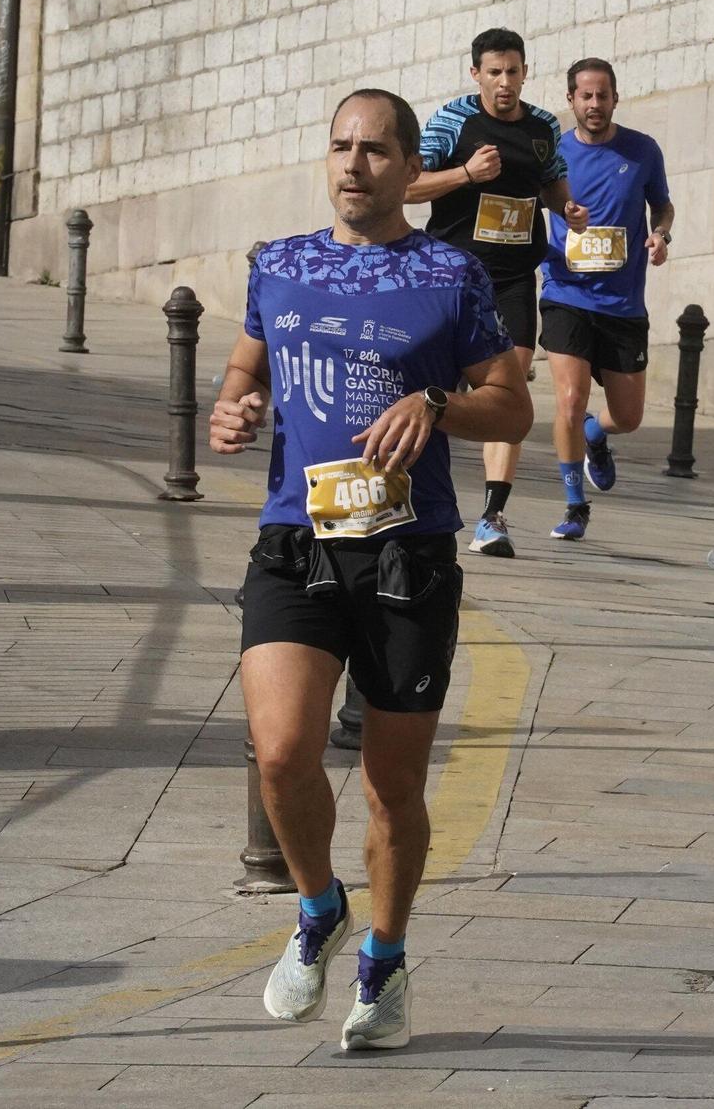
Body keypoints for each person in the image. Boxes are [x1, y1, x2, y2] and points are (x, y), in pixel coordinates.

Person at [210, 89, 531, 1052]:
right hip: (296, 540)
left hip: (407, 552)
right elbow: (242, 372)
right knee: (280, 752)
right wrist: (229, 410)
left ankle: (384, 961)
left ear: (407, 166)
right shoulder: (281, 263)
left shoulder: (451, 273)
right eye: (342, 147)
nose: (355, 164)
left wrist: (436, 401)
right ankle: (318, 905)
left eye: (377, 151)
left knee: (394, 785)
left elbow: (511, 409)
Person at [406, 28, 587, 558]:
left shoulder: (544, 126)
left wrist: (568, 209)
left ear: (526, 72)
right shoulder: (452, 121)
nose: (504, 82)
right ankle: (411, 496)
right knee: (431, 387)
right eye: (494, 72)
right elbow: (407, 186)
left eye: (513, 71)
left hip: (510, 279)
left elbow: (552, 181)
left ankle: (492, 516)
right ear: (475, 75)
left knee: (510, 394)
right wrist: (465, 173)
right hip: (452, 272)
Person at [536, 57, 674, 540]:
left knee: (629, 417)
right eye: (586, 96)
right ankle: (575, 505)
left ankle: (598, 435)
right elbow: (529, 206)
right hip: (565, 293)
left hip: (622, 305)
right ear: (571, 99)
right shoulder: (551, 153)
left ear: (615, 98)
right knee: (570, 401)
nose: (595, 105)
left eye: (603, 96)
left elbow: (663, 204)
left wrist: (660, 235)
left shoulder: (642, 151)